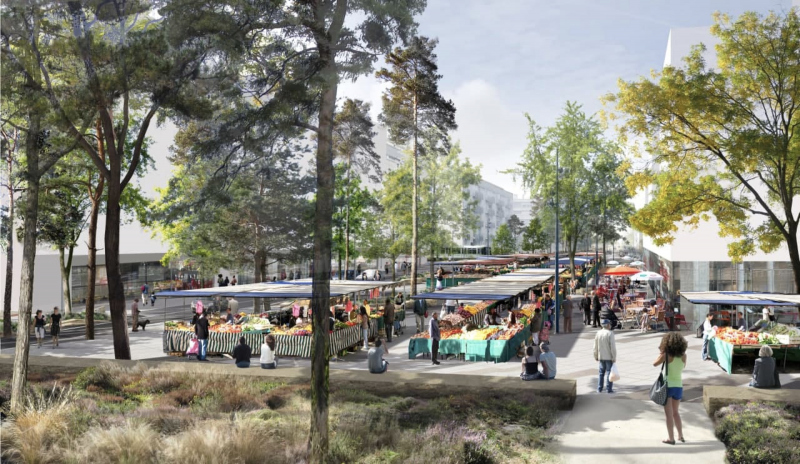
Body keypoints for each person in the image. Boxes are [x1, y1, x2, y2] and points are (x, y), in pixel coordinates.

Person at [653, 332, 688, 445]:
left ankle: (671, 438)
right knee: (676, 412)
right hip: (679, 386)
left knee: (668, 414)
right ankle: (681, 435)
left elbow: (654, 364)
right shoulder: (684, 356)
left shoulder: (667, 355)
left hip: (667, 386)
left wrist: (661, 353)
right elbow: (683, 366)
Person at [594, 319, 617, 393]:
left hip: (601, 356)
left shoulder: (598, 333)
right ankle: (608, 389)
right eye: (609, 324)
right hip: (608, 357)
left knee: (601, 373)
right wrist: (614, 357)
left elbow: (595, 346)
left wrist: (596, 356)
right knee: (609, 373)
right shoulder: (610, 333)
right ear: (607, 325)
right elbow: (612, 347)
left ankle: (599, 388)